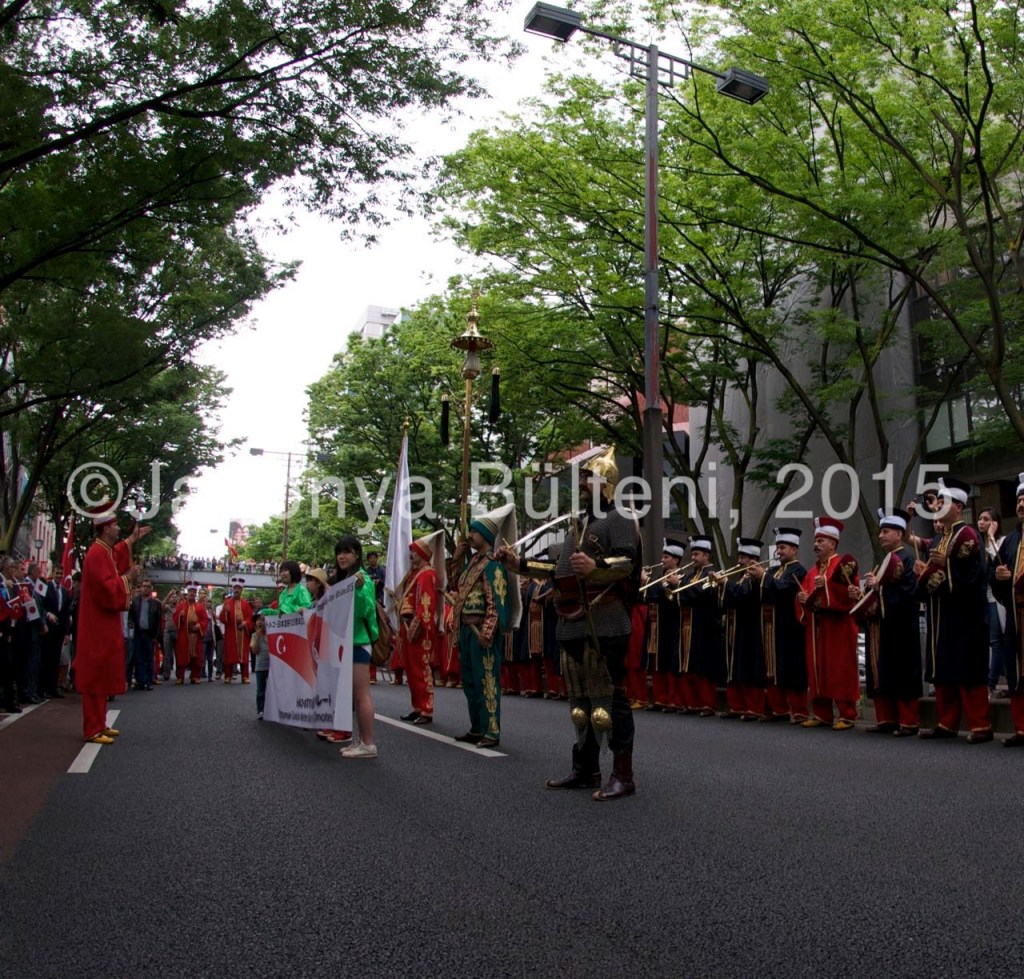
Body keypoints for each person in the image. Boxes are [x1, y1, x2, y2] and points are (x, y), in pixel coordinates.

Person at [501, 448, 639, 800]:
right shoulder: (577, 526)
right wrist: (520, 565)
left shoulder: (619, 519)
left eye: (588, 478)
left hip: (604, 621)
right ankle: (586, 768)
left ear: (606, 484)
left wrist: (597, 568)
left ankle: (623, 774)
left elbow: (628, 562)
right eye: (581, 478)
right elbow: (558, 571)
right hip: (572, 621)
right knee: (581, 703)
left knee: (611, 702)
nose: (582, 483)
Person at [915, 477, 992, 742]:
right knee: (944, 667)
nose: (937, 505)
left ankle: (980, 725)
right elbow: (936, 575)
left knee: (968, 667)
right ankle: (946, 722)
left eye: (943, 501)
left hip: (965, 614)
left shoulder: (967, 535)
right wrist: (924, 572)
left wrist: (944, 564)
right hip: (942, 614)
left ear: (958, 506)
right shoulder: (942, 537)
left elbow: (971, 575)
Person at [76, 507, 150, 743]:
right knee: (94, 675)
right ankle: (92, 729)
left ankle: (100, 724)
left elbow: (117, 555)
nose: (119, 528)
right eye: (116, 525)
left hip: (102, 623)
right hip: (96, 624)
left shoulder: (104, 551)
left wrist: (132, 539)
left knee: (102, 672)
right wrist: (128, 578)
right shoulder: (97, 554)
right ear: (106, 528)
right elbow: (107, 589)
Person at [453, 502, 519, 750]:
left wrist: (489, 632)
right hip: (466, 631)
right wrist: (457, 559)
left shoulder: (492, 564)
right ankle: (477, 727)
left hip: (482, 631)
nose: (470, 535)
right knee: (470, 682)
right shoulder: (472, 563)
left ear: (487, 536)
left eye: (475, 531)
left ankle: (491, 729)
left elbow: (496, 601)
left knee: (487, 681)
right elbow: (456, 588)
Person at [854, 508, 922, 736]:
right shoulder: (886, 560)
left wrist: (878, 588)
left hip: (902, 626)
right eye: (881, 531)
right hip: (885, 625)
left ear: (900, 534)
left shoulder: (907, 559)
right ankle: (888, 718)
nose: (881, 535)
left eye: (886, 531)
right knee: (886, 671)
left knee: (903, 671)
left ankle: (909, 721)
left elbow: (909, 593)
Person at [795, 516, 860, 730]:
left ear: (833, 543)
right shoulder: (812, 571)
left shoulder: (844, 566)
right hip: (816, 629)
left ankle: (847, 713)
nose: (816, 545)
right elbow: (804, 595)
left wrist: (828, 588)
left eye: (821, 541)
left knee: (839, 668)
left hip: (838, 627)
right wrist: (802, 600)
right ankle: (822, 713)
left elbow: (848, 595)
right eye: (816, 541)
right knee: (817, 669)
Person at [746, 527, 808, 723]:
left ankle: (798, 711)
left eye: (783, 547)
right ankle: (777, 709)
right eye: (778, 547)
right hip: (768, 627)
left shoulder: (798, 570)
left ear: (794, 549)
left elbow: (784, 590)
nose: (779, 551)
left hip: (788, 627)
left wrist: (763, 577)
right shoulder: (773, 570)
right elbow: (760, 595)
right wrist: (754, 580)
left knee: (790, 667)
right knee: (770, 667)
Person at [333, 535, 380, 759]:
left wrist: (359, 590)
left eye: (347, 552)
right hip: (348, 643)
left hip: (359, 642)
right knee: (355, 696)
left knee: (362, 695)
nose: (341, 556)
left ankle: (368, 743)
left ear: (357, 555)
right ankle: (360, 740)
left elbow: (364, 612)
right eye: (339, 552)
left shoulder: (363, 580)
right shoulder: (346, 580)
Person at [396, 531, 444, 725]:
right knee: (411, 668)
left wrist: (416, 626)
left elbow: (426, 604)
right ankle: (417, 706)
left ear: (423, 554)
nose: (411, 555)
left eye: (414, 552)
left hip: (419, 629)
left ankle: (427, 709)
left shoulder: (427, 574)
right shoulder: (414, 574)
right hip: (409, 627)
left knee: (422, 668)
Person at [675, 536, 725, 717]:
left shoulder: (711, 573)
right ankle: (691, 702)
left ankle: (707, 703)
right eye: (692, 554)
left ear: (706, 555)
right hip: (688, 625)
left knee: (704, 666)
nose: (693, 558)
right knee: (689, 665)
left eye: (696, 554)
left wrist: (679, 585)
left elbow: (702, 593)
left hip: (705, 625)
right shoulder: (690, 574)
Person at [991, 475, 1024, 746]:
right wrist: (999, 577)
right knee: (1016, 670)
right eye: (1019, 500)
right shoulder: (1010, 542)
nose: (1022, 504)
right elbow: (999, 581)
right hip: (1016, 614)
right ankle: (1021, 726)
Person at [720, 538, 767, 721]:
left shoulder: (753, 577)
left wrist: (725, 585)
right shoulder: (742, 576)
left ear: (753, 559)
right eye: (740, 556)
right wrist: (721, 588)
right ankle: (737, 705)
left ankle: (753, 707)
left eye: (744, 557)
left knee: (748, 664)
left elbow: (744, 595)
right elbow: (729, 600)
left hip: (751, 626)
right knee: (736, 664)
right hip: (737, 625)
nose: (740, 561)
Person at [644, 540, 687, 713]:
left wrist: (656, 586)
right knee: (658, 662)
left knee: (671, 661)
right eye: (663, 556)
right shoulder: (658, 578)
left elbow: (663, 596)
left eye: (666, 557)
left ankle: (674, 700)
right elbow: (648, 596)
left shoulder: (682, 578)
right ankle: (660, 698)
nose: (662, 560)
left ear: (676, 560)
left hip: (673, 623)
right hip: (657, 624)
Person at [977, 507, 1007, 695]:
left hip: (996, 599)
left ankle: (991, 683)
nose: (981, 522)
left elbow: (998, 560)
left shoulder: (1001, 541)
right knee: (985, 641)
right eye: (979, 519)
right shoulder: (977, 544)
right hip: (982, 598)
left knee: (997, 641)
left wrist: (992, 537)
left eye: (986, 519)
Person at [219, 576, 254, 684]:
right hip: (231, 633)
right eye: (235, 588)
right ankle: (228, 675)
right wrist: (226, 612)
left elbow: (250, 618)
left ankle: (245, 676)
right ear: (232, 589)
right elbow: (222, 619)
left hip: (243, 633)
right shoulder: (227, 603)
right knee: (230, 654)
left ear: (241, 590)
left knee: (243, 655)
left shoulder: (246, 604)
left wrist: (246, 623)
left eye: (239, 588)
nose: (237, 590)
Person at [128, 581, 162, 690]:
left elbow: (158, 621)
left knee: (149, 659)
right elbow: (131, 616)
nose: (146, 589)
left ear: (151, 589)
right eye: (144, 586)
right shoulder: (136, 602)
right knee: (139, 658)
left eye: (148, 587)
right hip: (138, 633)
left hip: (149, 634)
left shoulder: (155, 603)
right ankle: (140, 681)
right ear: (141, 588)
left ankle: (148, 681)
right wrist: (131, 625)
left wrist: (156, 636)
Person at [173, 583, 208, 684]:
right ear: (187, 593)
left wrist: (199, 626)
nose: (192, 593)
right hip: (184, 635)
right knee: (182, 656)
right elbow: (175, 618)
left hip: (196, 635)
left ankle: (195, 676)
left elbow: (204, 620)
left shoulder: (200, 607)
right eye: (190, 592)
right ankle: (180, 677)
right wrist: (180, 616)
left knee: (196, 656)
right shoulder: (181, 606)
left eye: (194, 592)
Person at [251, 614, 270, 719]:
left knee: (272, 690)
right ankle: (261, 710)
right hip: (260, 666)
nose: (261, 622)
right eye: (258, 620)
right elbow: (254, 650)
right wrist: (258, 635)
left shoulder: (272, 633)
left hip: (272, 666)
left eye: (263, 619)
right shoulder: (254, 635)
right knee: (260, 690)